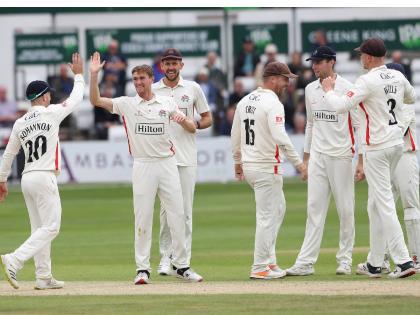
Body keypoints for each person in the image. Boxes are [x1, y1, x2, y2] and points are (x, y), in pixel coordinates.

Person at [89, 51, 203, 285]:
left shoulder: (167, 103)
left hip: (168, 164)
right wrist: (93, 76)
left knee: (178, 216)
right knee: (142, 217)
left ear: (151, 79)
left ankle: (182, 266)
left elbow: (191, 128)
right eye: (135, 79)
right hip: (143, 165)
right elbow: (96, 101)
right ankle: (143, 269)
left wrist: (187, 122)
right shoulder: (127, 104)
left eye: (142, 79)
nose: (138, 83)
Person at [321, 37, 417, 279]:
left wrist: (329, 91)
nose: (360, 58)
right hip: (395, 144)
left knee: (383, 203)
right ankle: (375, 263)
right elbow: (411, 98)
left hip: (377, 147)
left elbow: (341, 106)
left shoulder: (367, 80)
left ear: (371, 57)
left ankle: (404, 261)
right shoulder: (397, 76)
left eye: (362, 55)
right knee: (375, 203)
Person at [0, 53, 85, 290]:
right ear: (45, 96)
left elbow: (8, 154)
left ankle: (43, 276)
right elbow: (77, 98)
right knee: (52, 227)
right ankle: (13, 260)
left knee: (39, 229)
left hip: (27, 178)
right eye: (49, 94)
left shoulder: (20, 122)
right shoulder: (52, 112)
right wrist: (79, 75)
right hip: (44, 175)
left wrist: (2, 180)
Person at [286, 46, 358, 277]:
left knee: (346, 210)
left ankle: (345, 260)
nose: (314, 66)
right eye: (313, 62)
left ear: (332, 62)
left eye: (319, 62)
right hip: (318, 156)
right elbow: (311, 124)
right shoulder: (309, 89)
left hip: (341, 156)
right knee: (314, 210)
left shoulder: (348, 88)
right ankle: (306, 262)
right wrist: (305, 160)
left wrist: (361, 160)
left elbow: (358, 125)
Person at [231, 61, 307, 280]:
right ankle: (259, 267)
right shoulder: (273, 103)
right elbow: (280, 137)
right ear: (273, 78)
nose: (287, 84)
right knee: (267, 217)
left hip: (252, 166)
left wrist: (238, 162)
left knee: (278, 209)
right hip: (266, 166)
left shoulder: (245, 101)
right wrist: (299, 164)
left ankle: (269, 260)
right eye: (285, 79)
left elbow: (235, 135)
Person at [152, 48, 212, 276]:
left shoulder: (192, 88)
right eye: (167, 63)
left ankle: (182, 261)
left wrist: (192, 124)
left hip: (186, 158)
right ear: (161, 66)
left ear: (181, 65)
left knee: (185, 212)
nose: (170, 67)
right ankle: (165, 258)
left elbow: (208, 119)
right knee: (166, 211)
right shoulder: (153, 89)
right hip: (163, 157)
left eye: (174, 63)